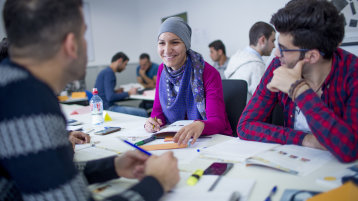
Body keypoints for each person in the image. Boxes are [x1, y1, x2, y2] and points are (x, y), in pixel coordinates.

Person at [0, 0, 179, 200]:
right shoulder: (27, 103)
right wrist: (157, 182)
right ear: (71, 45)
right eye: (83, 34)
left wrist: (112, 166)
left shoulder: (13, 88)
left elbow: (47, 176)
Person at [237, 0, 358, 163]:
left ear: (312, 56)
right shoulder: (278, 65)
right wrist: (306, 139)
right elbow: (245, 126)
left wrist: (298, 90)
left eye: (284, 49)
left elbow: (350, 148)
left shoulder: (352, 72)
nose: (276, 53)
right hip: (296, 164)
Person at [144, 17, 232, 145]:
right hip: (178, 140)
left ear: (186, 45)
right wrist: (152, 122)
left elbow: (217, 121)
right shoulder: (161, 70)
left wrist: (200, 125)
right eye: (161, 43)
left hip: (211, 141)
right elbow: (158, 114)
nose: (167, 50)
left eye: (175, 42)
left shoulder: (208, 72)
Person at [224, 21, 276, 103]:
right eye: (272, 41)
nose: (274, 46)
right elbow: (263, 101)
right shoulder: (257, 66)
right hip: (248, 113)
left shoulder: (235, 57)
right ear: (262, 40)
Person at [94, 52, 148, 117]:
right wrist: (129, 93)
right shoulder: (110, 73)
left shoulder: (105, 71)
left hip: (103, 107)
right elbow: (110, 97)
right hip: (108, 108)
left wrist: (116, 91)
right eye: (125, 64)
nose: (125, 68)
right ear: (120, 60)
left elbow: (104, 93)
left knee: (137, 109)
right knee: (143, 112)